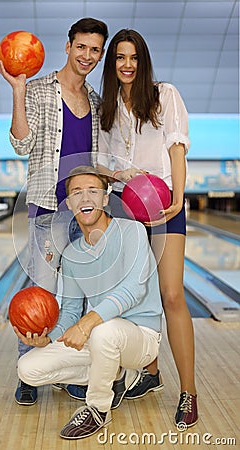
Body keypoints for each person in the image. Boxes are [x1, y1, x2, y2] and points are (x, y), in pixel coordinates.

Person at [0, 18, 109, 405]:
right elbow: (21, 143)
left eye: (95, 50)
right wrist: (17, 90)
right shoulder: (40, 88)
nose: (88, 56)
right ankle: (29, 372)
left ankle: (72, 371)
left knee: (80, 299)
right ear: (68, 46)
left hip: (86, 214)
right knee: (40, 296)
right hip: (47, 209)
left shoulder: (96, 102)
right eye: (82, 47)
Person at [14, 166, 163, 440]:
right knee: (28, 369)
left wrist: (87, 324)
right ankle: (114, 372)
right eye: (77, 193)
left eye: (93, 191)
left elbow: (133, 290)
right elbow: (70, 312)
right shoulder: (71, 255)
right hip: (99, 338)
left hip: (141, 338)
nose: (86, 198)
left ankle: (97, 409)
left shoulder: (132, 231)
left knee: (104, 331)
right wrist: (47, 339)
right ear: (68, 204)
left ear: (105, 198)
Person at [96, 29, 198, 428]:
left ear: (143, 61)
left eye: (133, 57)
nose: (126, 65)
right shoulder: (106, 109)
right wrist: (115, 171)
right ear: (112, 63)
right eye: (120, 57)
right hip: (124, 206)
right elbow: (101, 162)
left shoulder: (165, 94)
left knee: (171, 294)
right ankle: (150, 373)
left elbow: (176, 146)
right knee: (136, 296)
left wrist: (178, 197)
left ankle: (188, 392)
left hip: (163, 203)